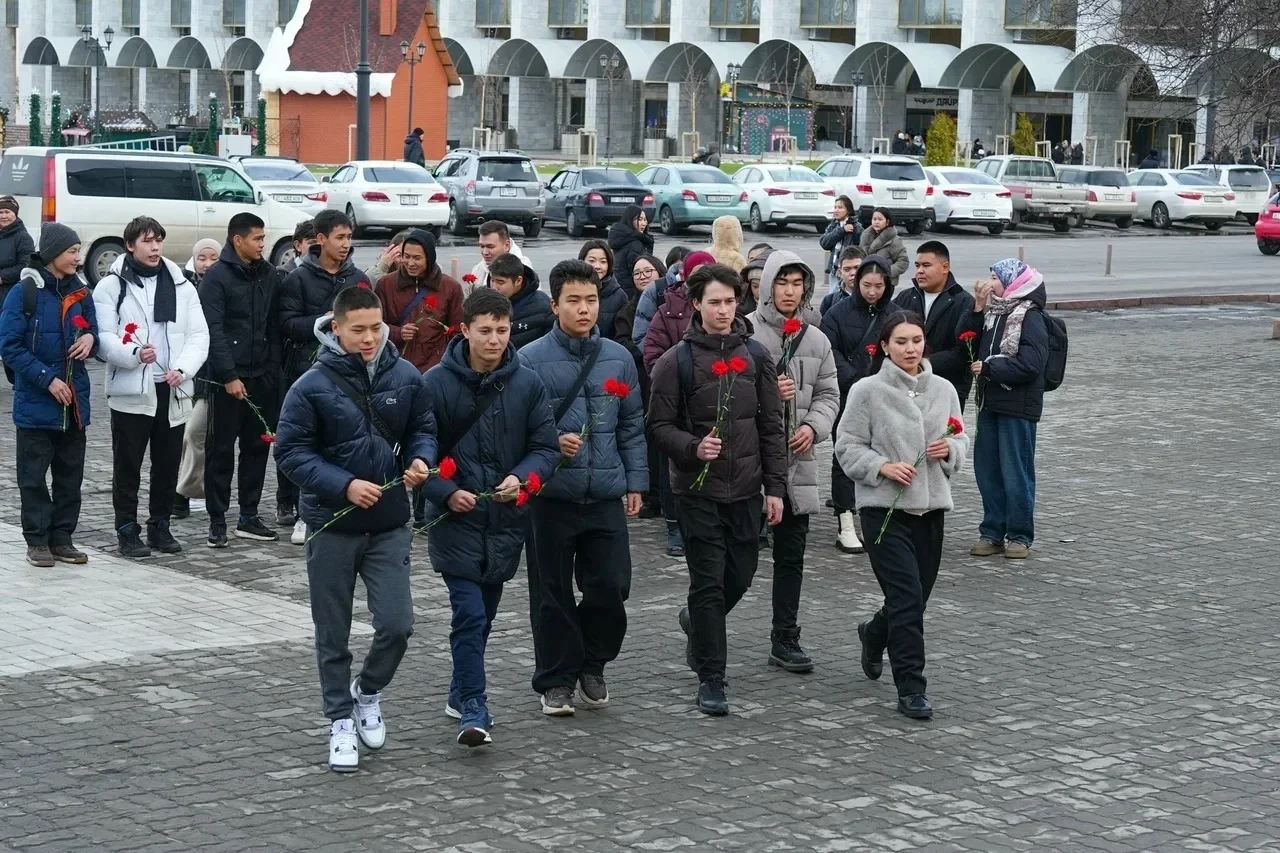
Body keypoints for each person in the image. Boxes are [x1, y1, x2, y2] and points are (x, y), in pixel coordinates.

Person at [275, 285, 438, 773]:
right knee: (333, 631)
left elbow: (423, 429)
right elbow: (290, 453)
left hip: (389, 523)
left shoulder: (405, 376)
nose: (369, 339)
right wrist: (344, 485)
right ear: (336, 328)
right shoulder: (310, 385)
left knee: (397, 625)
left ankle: (367, 691)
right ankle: (339, 720)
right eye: (358, 330)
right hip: (332, 525)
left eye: (376, 329)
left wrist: (420, 460)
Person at [420, 288, 559, 747]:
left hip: (504, 522)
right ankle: (474, 707)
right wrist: (446, 492)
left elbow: (545, 448)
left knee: (485, 616)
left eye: (502, 330)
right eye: (485, 331)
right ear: (465, 330)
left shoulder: (528, 383)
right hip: (455, 522)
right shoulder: (435, 384)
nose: (495, 340)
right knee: (470, 615)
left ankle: (459, 690)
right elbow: (419, 452)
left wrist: (522, 478)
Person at [648, 264, 787, 716]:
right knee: (707, 583)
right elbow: (658, 426)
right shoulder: (676, 361)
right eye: (714, 302)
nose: (724, 310)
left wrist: (775, 488)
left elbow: (771, 427)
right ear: (696, 305)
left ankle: (696, 623)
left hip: (746, 490)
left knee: (740, 576)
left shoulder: (757, 356)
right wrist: (693, 447)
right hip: (697, 492)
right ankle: (711, 677)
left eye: (730, 301)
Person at [520, 260, 647, 716]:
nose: (584, 309)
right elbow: (516, 428)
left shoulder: (618, 357)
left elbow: (631, 425)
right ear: (555, 306)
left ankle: (593, 662)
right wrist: (552, 442)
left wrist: (636, 481)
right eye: (573, 301)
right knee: (551, 594)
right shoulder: (528, 359)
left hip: (605, 493)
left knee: (611, 587)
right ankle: (556, 679)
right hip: (551, 498)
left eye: (591, 300)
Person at [835, 312, 967, 721]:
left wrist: (951, 450)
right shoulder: (867, 390)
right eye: (901, 342)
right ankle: (911, 687)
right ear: (885, 347)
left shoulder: (943, 388)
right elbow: (846, 446)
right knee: (907, 598)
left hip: (931, 510)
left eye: (917, 340)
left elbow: (961, 436)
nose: (911, 349)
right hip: (883, 510)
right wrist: (882, 467)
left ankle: (874, 634)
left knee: (913, 601)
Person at [93, 216, 210, 558]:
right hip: (132, 390)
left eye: (158, 240)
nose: (155, 247)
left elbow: (198, 335)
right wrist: (132, 354)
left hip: (171, 388)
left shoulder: (181, 285)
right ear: (130, 246)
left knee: (167, 463)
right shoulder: (111, 286)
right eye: (147, 241)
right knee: (127, 465)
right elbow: (104, 337)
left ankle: (160, 525)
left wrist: (182, 369)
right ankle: (126, 530)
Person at [747, 251, 839, 674]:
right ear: (767, 285)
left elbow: (829, 394)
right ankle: (704, 616)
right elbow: (725, 393)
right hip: (750, 464)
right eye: (781, 282)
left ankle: (785, 637)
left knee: (791, 557)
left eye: (796, 283)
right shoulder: (745, 332)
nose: (789, 291)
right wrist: (768, 392)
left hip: (798, 464)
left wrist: (813, 427)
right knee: (740, 559)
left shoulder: (816, 339)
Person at [0, 223, 97, 567]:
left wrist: (91, 339)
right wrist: (48, 380)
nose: (77, 257)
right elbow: (9, 347)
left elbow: (95, 330)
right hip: (36, 404)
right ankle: (37, 541)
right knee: (33, 479)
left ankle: (62, 539)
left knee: (70, 478)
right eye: (72, 251)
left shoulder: (81, 292)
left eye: (78, 250)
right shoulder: (23, 292)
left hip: (74, 405)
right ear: (54, 253)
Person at [278, 210, 369, 542]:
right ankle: (299, 510)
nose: (346, 244)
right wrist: (325, 320)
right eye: (339, 237)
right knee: (306, 442)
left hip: (351, 374)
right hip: (307, 370)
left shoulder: (358, 277)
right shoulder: (298, 279)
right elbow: (287, 324)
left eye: (349, 237)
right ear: (320, 239)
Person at [199, 212, 284, 548]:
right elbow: (213, 331)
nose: (263, 244)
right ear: (238, 240)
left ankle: (249, 515)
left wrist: (272, 367)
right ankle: (217, 519)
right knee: (220, 450)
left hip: (262, 375)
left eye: (263, 238)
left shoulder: (269, 274)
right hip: (227, 381)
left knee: (257, 447)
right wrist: (229, 375)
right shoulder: (216, 277)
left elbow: (274, 324)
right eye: (257, 239)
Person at [958, 259, 1049, 561]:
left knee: (1015, 472)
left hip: (1017, 407)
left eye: (996, 278)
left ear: (1013, 282)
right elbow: (966, 341)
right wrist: (977, 307)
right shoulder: (993, 313)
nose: (990, 283)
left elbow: (1032, 365)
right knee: (988, 471)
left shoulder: (1029, 315)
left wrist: (990, 369)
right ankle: (992, 532)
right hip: (990, 403)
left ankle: (1020, 536)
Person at [820, 255, 904, 555]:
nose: (872, 291)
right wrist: (856, 380)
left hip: (887, 397)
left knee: (884, 455)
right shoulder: (837, 313)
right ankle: (845, 521)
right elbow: (829, 351)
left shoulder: (895, 314)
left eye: (878, 286)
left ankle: (878, 516)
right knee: (846, 456)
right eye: (867, 285)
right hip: (848, 394)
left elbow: (905, 350)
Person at [643, 250, 715, 557]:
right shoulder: (667, 309)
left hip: (713, 401)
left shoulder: (721, 309)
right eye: (696, 274)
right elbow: (651, 353)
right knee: (672, 460)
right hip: (677, 399)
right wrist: (677, 379)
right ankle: (674, 525)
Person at [894, 240, 975, 407]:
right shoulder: (905, 298)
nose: (920, 271)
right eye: (917, 266)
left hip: (947, 390)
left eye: (926, 265)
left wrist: (920, 363)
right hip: (905, 388)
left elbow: (963, 353)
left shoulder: (964, 302)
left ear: (945, 267)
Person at [175, 238, 222, 519]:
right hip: (182, 373)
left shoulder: (223, 286)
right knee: (180, 436)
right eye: (201, 258)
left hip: (212, 376)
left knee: (195, 433)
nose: (207, 264)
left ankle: (184, 491)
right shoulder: (182, 287)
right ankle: (180, 492)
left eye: (213, 257)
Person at [377, 228, 462, 374]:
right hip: (396, 366)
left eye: (417, 258)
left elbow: (458, 332)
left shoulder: (450, 287)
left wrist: (444, 362)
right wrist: (398, 332)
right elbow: (375, 325)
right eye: (406, 256)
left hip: (436, 369)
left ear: (429, 258)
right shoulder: (386, 284)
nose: (410, 263)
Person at [487, 252, 553, 349]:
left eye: (500, 282)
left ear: (518, 281)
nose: (494, 287)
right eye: (492, 280)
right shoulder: (483, 302)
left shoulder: (544, 307)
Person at [631, 246, 690, 350]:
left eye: (648, 271)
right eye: (637, 273)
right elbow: (639, 337)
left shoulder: (703, 292)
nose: (642, 276)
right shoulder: (654, 293)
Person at [577, 239, 627, 343]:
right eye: (592, 261)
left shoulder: (619, 296)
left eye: (603, 262)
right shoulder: (571, 291)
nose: (597, 266)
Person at [468, 221, 530, 295]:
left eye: (490, 247)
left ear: (506, 245)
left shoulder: (525, 270)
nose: (485, 252)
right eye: (482, 246)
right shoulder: (478, 269)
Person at [607, 205, 654, 300]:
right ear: (629, 220)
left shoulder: (622, 238)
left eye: (645, 220)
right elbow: (638, 273)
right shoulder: (636, 244)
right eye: (639, 219)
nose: (643, 223)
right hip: (632, 294)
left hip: (620, 289)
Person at [820, 195, 862, 293]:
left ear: (848, 210)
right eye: (835, 207)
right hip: (835, 270)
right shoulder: (833, 226)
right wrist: (842, 230)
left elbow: (862, 247)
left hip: (850, 270)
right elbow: (824, 243)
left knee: (848, 294)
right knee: (833, 296)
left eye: (840, 207)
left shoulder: (856, 227)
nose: (836, 210)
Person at [859, 208, 909, 286]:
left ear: (887, 222)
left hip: (886, 283)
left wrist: (885, 273)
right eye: (874, 219)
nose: (876, 222)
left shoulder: (894, 240)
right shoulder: (865, 237)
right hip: (867, 280)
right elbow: (859, 256)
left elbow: (903, 262)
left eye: (880, 219)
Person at [0, 195, 35, 300]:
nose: (3, 216)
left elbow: (26, 265)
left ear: (15, 214)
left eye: (7, 212)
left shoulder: (23, 237)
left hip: (10, 293)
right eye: (0, 212)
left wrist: (2, 276)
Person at [819, 246, 864, 316]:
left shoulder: (875, 299)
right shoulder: (829, 302)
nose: (853, 273)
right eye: (847, 269)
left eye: (857, 268)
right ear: (840, 273)